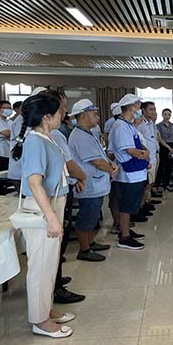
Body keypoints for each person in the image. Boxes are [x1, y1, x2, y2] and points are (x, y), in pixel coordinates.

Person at [11, 93, 75, 338]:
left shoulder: (48, 138)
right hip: (42, 207)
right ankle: (39, 321)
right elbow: (35, 183)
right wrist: (51, 217)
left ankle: (45, 309)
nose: (63, 115)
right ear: (47, 116)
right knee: (40, 267)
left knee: (50, 264)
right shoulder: (35, 141)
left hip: (53, 203)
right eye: (60, 112)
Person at [41, 90, 86, 305]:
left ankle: (56, 280)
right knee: (55, 245)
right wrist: (81, 176)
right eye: (63, 108)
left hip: (57, 191)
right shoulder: (50, 136)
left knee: (56, 247)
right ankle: (55, 288)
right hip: (53, 197)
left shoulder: (48, 134)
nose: (66, 112)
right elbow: (66, 165)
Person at [69, 99, 118, 262]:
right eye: (94, 114)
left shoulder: (88, 132)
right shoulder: (79, 136)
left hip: (96, 183)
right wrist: (111, 170)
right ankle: (84, 250)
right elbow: (95, 161)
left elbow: (100, 154)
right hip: (89, 184)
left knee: (93, 216)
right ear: (83, 116)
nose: (98, 117)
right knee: (86, 217)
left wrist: (111, 163)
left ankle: (90, 242)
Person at [108, 93, 148, 250]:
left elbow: (137, 145)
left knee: (130, 204)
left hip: (135, 171)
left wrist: (144, 153)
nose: (140, 109)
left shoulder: (128, 125)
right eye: (138, 106)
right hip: (129, 172)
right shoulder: (121, 126)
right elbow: (130, 150)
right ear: (131, 107)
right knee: (127, 205)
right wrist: (144, 155)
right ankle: (124, 237)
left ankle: (126, 231)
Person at [137, 101, 163, 199]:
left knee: (152, 178)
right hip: (147, 155)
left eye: (154, 109)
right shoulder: (140, 124)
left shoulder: (152, 123)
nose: (153, 112)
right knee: (147, 179)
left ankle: (149, 197)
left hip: (155, 153)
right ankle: (145, 201)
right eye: (151, 109)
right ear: (143, 110)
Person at [156, 108, 173, 192]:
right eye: (165, 114)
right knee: (161, 166)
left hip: (172, 146)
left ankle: (167, 184)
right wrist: (168, 148)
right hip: (163, 146)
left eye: (169, 114)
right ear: (162, 115)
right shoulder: (158, 125)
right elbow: (159, 138)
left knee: (170, 166)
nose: (167, 116)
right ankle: (158, 185)